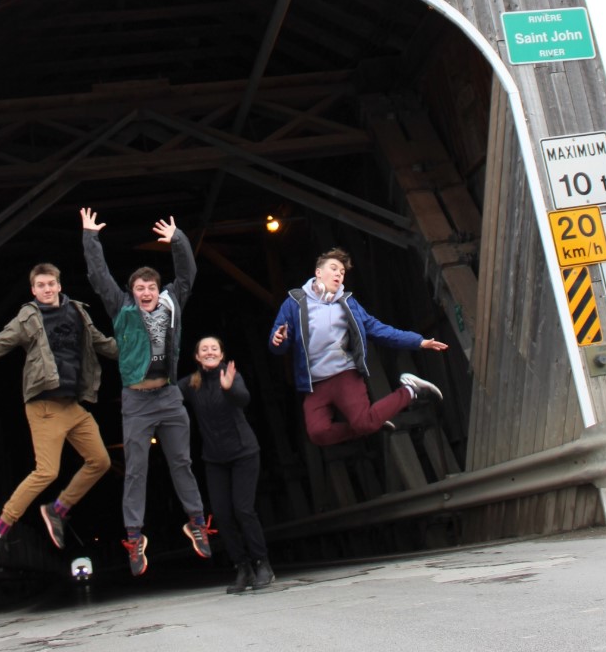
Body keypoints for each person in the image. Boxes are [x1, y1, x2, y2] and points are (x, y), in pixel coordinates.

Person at [0, 261, 117, 569]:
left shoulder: (79, 313)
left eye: (51, 284)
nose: (46, 289)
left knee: (101, 461)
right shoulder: (28, 319)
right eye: (40, 286)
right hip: (43, 406)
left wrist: (141, 355)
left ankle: (58, 509)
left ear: (59, 285)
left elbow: (104, 344)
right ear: (34, 290)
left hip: (73, 406)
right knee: (46, 472)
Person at [81, 206, 212, 576]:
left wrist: (178, 240)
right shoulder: (121, 309)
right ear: (132, 292)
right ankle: (135, 538)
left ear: (158, 290)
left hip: (168, 396)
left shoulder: (172, 302)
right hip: (137, 401)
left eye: (151, 287)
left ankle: (197, 523)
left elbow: (188, 273)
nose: (146, 292)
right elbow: (98, 276)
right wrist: (90, 237)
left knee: (181, 463)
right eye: (139, 288)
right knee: (136, 470)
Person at [269, 246, 448, 446]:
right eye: (334, 268)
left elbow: (379, 330)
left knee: (364, 423)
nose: (339, 274)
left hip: (345, 374)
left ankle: (410, 390)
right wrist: (278, 339)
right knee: (318, 434)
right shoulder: (294, 302)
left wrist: (418, 341)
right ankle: (373, 421)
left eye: (342, 272)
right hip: (315, 383)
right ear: (318, 272)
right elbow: (277, 346)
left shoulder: (349, 305)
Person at [180, 336, 274, 594]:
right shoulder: (191, 384)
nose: (209, 352)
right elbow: (166, 395)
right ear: (197, 357)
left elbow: (243, 399)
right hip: (215, 459)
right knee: (221, 514)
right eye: (204, 349)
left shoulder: (231, 376)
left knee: (243, 509)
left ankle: (262, 563)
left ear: (221, 355)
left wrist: (229, 387)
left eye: (214, 349)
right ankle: (242, 568)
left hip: (244, 452)